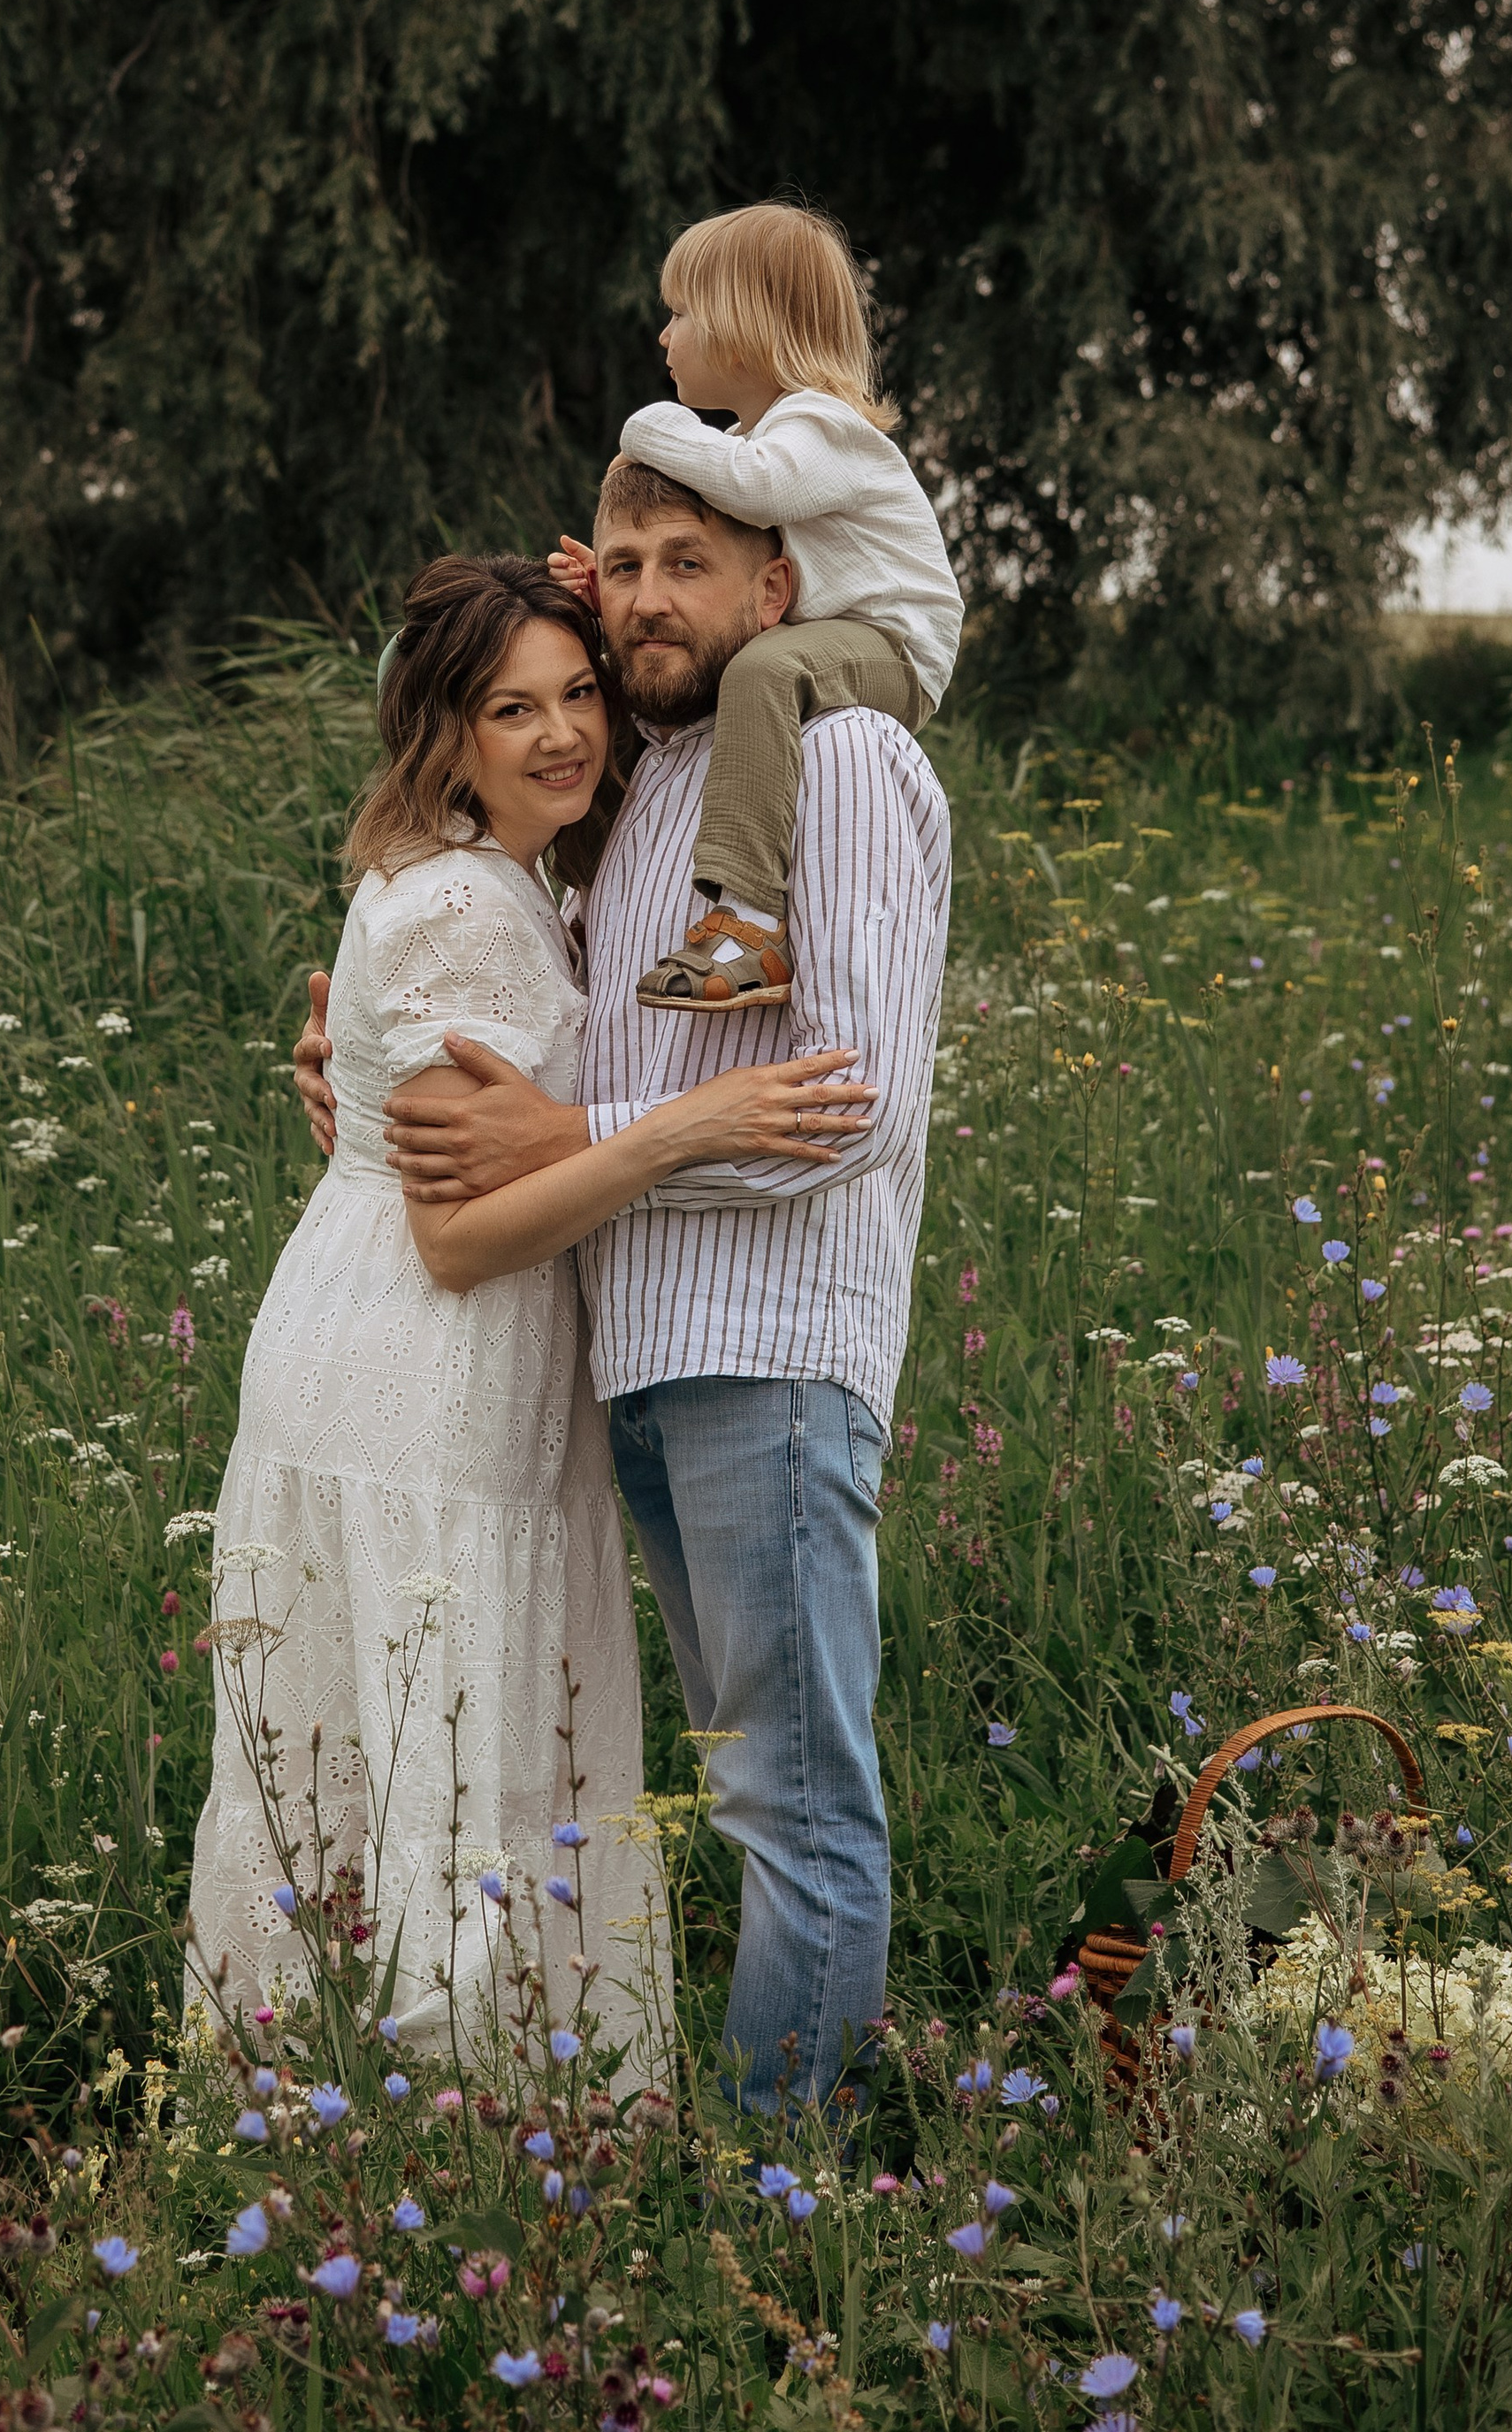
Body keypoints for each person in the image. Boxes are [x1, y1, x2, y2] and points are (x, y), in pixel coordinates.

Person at [298, 465, 951, 2121]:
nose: (648, 598)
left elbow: (844, 1101)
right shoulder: (650, 792)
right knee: (728, 1782)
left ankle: (784, 2206)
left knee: (790, 1800)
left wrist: (584, 1129)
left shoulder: (835, 755)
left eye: (693, 563)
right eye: (630, 570)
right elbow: (536, 1053)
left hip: (767, 1347)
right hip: (629, 1353)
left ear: (778, 587)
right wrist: (357, 1069)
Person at [185, 551, 874, 2070]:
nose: (563, 732)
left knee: (403, 1751)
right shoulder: (467, 911)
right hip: (420, 1367)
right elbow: (458, 1239)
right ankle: (442, 2146)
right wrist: (679, 1131)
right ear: (448, 733)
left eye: (578, 693)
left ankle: (360, 2128)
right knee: (445, 1754)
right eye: (514, 708)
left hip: (413, 1356)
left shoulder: (494, 874)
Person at [552, 201, 960, 1013]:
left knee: (762, 671)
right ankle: (597, 902)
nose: (664, 337)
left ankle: (750, 923)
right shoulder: (769, 436)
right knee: (656, 690)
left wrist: (645, 424)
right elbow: (735, 568)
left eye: (681, 313)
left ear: (748, 323)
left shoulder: (820, 424)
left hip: (897, 646)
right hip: (840, 633)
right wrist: (621, 584)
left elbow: (759, 486)